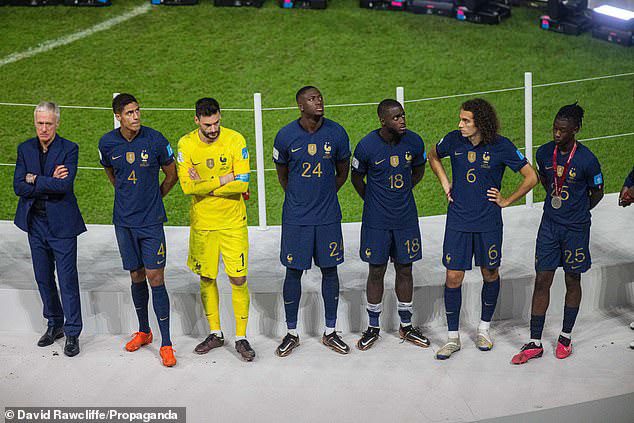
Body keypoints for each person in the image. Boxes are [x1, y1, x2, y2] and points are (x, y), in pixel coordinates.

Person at [427, 98, 537, 360]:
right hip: (458, 221)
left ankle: (484, 329)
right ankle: (452, 338)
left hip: (488, 222)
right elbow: (432, 155)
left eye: (466, 120)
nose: (460, 124)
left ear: (481, 123)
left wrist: (507, 200)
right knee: (453, 277)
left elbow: (531, 177)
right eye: (461, 119)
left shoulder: (501, 146)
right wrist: (445, 182)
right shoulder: (453, 141)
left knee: (490, 272)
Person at [512, 103, 604, 364]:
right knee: (542, 280)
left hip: (576, 229)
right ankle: (535, 341)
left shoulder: (587, 159)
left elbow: (596, 192)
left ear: (575, 129)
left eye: (562, 130)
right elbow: (544, 179)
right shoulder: (544, 153)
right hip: (549, 226)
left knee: (573, 280)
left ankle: (565, 336)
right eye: (554, 129)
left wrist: (577, 211)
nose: (556, 134)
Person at [98, 93, 178, 367]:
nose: (136, 116)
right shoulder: (107, 143)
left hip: (151, 221)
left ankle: (167, 344)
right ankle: (144, 331)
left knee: (155, 276)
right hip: (124, 221)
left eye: (137, 111)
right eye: (130, 113)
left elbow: (172, 174)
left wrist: (154, 197)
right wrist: (127, 195)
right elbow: (112, 173)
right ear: (118, 116)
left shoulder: (155, 140)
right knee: (136, 274)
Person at [273, 86, 351, 356]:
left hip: (328, 217)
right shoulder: (285, 136)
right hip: (296, 218)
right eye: (312, 99)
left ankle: (330, 332)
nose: (319, 101)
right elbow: (283, 174)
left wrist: (324, 194)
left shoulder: (337, 133)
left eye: (320, 97)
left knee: (331, 270)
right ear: (300, 106)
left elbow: (342, 172)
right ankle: (292, 332)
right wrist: (299, 198)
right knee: (293, 271)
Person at [177, 97, 255, 362]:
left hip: (233, 223)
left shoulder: (235, 140)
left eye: (217, 122)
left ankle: (242, 337)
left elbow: (243, 183)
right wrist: (225, 177)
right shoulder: (186, 144)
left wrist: (207, 184)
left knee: (238, 279)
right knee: (207, 278)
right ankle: (215, 333)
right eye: (208, 124)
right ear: (196, 120)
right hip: (203, 225)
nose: (213, 129)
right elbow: (187, 187)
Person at [351, 99, 430, 351]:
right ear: (383, 120)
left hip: (405, 219)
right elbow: (356, 178)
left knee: (405, 269)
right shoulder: (366, 146)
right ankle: (373, 327)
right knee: (376, 270)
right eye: (396, 117)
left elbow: (418, 170)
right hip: (377, 222)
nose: (402, 120)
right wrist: (374, 201)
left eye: (403, 115)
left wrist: (403, 192)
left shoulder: (414, 142)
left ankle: (406, 326)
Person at [13, 101, 86, 357]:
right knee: (43, 277)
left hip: (62, 226)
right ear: (35, 123)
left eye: (48, 124)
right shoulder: (25, 149)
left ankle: (73, 331)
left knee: (67, 280)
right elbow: (18, 186)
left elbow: (64, 187)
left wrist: (34, 179)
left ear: (57, 123)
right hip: (35, 224)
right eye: (40, 123)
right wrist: (48, 180)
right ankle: (54, 323)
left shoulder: (69, 149)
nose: (44, 128)